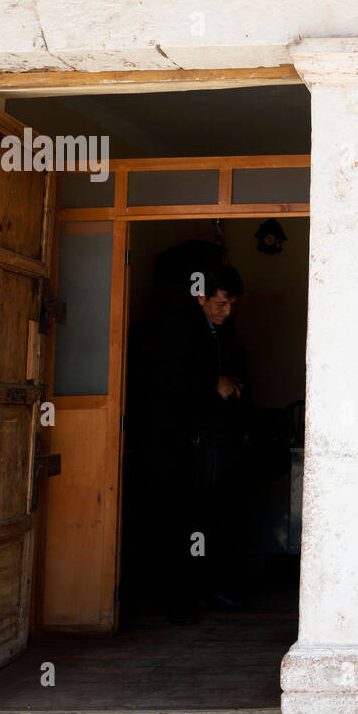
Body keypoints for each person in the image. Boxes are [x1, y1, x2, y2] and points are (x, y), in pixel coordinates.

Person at [148, 263, 250, 624]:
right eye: (222, 304)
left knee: (214, 517)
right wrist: (213, 383)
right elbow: (166, 379)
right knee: (179, 521)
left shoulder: (221, 330)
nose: (228, 311)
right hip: (178, 446)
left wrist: (232, 383)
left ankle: (209, 590)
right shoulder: (177, 327)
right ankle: (179, 602)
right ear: (201, 297)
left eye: (232, 304)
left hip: (211, 446)